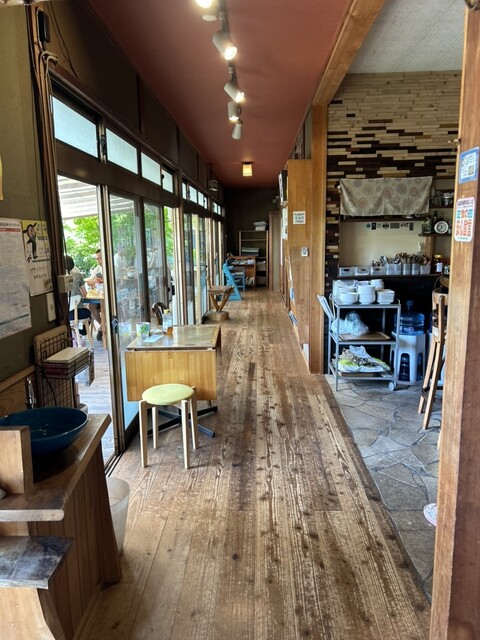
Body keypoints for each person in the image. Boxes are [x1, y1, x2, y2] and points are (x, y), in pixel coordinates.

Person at [66, 255, 91, 333]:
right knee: (89, 312)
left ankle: (75, 335)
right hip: (79, 313)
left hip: (66, 315)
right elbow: (85, 293)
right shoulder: (78, 275)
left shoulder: (60, 278)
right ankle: (81, 333)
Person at [85, 249, 104, 340]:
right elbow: (89, 282)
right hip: (99, 295)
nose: (99, 261)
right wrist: (95, 280)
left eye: (100, 258)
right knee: (91, 306)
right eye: (97, 259)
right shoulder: (97, 269)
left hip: (109, 297)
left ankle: (103, 328)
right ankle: (103, 326)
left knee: (105, 306)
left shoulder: (112, 266)